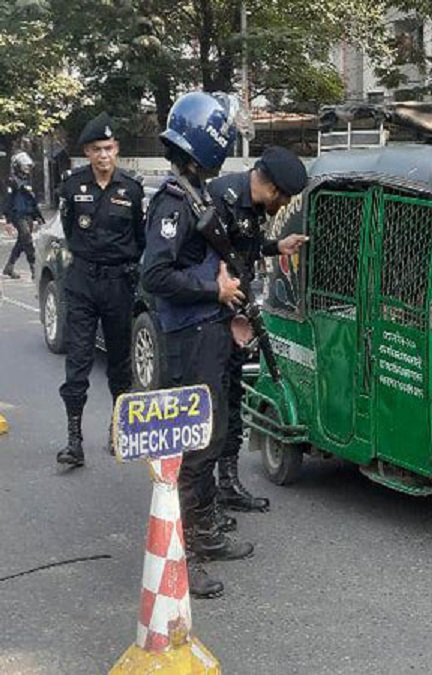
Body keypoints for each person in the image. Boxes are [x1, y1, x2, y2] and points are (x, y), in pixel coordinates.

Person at [141, 92, 254, 599]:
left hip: (209, 331)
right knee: (193, 446)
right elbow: (156, 276)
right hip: (188, 338)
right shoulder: (173, 200)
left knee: (212, 434)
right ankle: (185, 556)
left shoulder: (195, 191)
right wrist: (216, 291)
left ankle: (204, 534)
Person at [208, 146, 309, 514]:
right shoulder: (222, 197)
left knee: (233, 398)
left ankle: (229, 484)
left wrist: (275, 246)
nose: (283, 207)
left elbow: (243, 249)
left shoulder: (250, 207)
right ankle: (205, 496)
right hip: (209, 317)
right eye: (284, 200)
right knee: (213, 404)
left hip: (236, 313)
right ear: (272, 189)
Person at [53, 114, 146, 468]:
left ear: (117, 149)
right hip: (82, 284)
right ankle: (73, 441)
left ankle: (118, 430)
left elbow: (140, 239)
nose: (103, 155)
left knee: (120, 364)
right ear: (87, 153)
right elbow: (69, 230)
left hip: (118, 285)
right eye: (96, 149)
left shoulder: (132, 190)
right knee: (77, 362)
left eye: (108, 148)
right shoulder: (72, 186)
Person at [3, 151, 42, 279]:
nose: (26, 169)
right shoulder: (12, 181)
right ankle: (34, 268)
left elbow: (32, 200)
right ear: (17, 166)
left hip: (29, 215)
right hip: (17, 215)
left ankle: (9, 267)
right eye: (24, 166)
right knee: (27, 240)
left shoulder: (28, 181)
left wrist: (37, 217)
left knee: (22, 241)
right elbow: (7, 201)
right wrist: (7, 221)